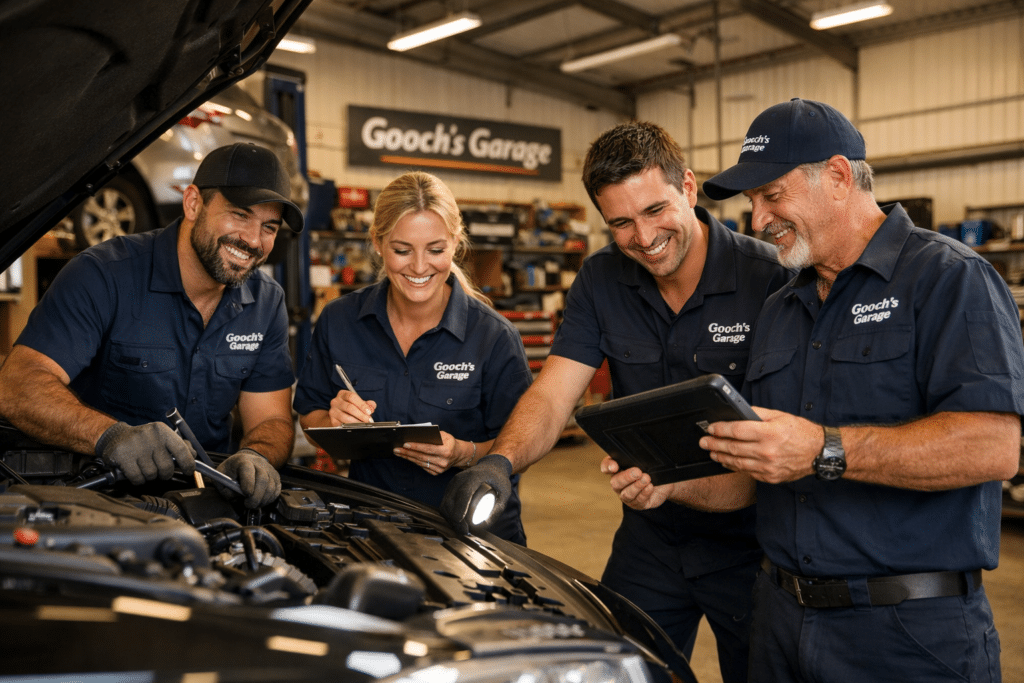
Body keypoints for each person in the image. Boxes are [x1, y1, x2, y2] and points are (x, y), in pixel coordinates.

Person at [615, 98, 1023, 682]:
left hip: (907, 633)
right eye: (752, 202)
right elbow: (761, 474)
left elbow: (992, 447)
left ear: (836, 176)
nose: (757, 221)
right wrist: (668, 486)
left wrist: (824, 449)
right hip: (781, 620)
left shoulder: (948, 278)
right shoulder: (783, 307)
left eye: (772, 195)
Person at [441, 121, 792, 683]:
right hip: (651, 541)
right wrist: (497, 464)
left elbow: (781, 445)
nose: (644, 236)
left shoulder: (770, 279)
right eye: (621, 223)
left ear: (690, 187)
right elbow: (555, 392)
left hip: (753, 547)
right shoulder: (601, 279)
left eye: (655, 210)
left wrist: (673, 481)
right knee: (617, 671)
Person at [0, 142, 302, 508]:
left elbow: (271, 419)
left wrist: (258, 456)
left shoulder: (267, 303)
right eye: (239, 215)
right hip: (93, 501)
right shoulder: (103, 275)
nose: (253, 240)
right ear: (193, 203)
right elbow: (17, 386)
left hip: (206, 508)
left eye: (268, 227)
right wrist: (109, 436)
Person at [293, 171, 533, 544]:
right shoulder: (339, 321)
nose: (420, 267)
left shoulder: (494, 337)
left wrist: (463, 454)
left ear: (455, 243)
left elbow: (521, 444)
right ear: (377, 242)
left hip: (475, 537)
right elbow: (310, 416)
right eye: (402, 250)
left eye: (436, 250)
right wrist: (334, 421)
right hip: (374, 530)